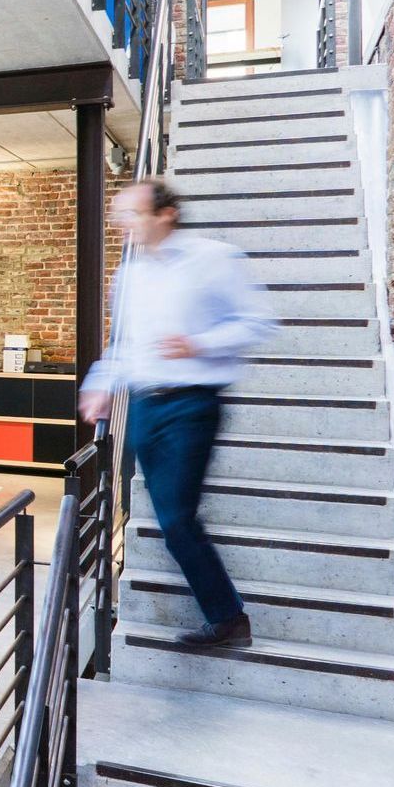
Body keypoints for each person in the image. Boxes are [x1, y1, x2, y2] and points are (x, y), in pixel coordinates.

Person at [80, 181, 276, 648]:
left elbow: (259, 321)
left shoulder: (213, 259)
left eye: (133, 214)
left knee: (175, 518)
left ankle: (229, 618)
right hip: (144, 405)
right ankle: (225, 615)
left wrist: (199, 343)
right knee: (168, 515)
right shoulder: (131, 275)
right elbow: (122, 343)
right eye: (120, 217)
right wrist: (100, 385)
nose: (124, 225)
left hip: (191, 404)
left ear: (166, 214)